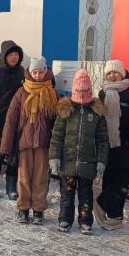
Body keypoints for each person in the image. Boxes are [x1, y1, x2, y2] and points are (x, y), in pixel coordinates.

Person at [49, 69, 109, 234]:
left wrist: (101, 161)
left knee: (86, 194)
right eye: (79, 91)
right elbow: (56, 136)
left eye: (85, 91)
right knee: (67, 194)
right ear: (74, 91)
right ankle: (65, 220)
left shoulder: (96, 113)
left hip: (87, 163)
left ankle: (85, 221)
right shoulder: (66, 110)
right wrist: (54, 156)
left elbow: (103, 141)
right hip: (67, 161)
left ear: (90, 91)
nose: (82, 95)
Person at [1, 56, 58, 224]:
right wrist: (6, 146)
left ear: (46, 72)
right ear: (30, 73)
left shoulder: (52, 93)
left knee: (40, 178)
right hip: (24, 143)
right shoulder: (21, 92)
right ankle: (23, 208)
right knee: (24, 177)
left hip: (43, 143)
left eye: (41, 72)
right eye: (35, 72)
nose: (38, 75)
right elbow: (11, 121)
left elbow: (56, 121)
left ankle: (39, 209)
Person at [93, 60, 129, 230]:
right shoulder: (103, 93)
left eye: (115, 72)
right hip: (109, 144)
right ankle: (115, 217)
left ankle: (102, 203)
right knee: (110, 180)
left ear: (122, 73)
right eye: (109, 73)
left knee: (125, 180)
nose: (112, 76)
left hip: (127, 144)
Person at [0, 40, 25, 200]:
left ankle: (11, 186)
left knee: (14, 156)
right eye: (10, 55)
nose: (14, 58)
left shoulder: (22, 73)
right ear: (5, 57)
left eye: (16, 55)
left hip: (16, 123)